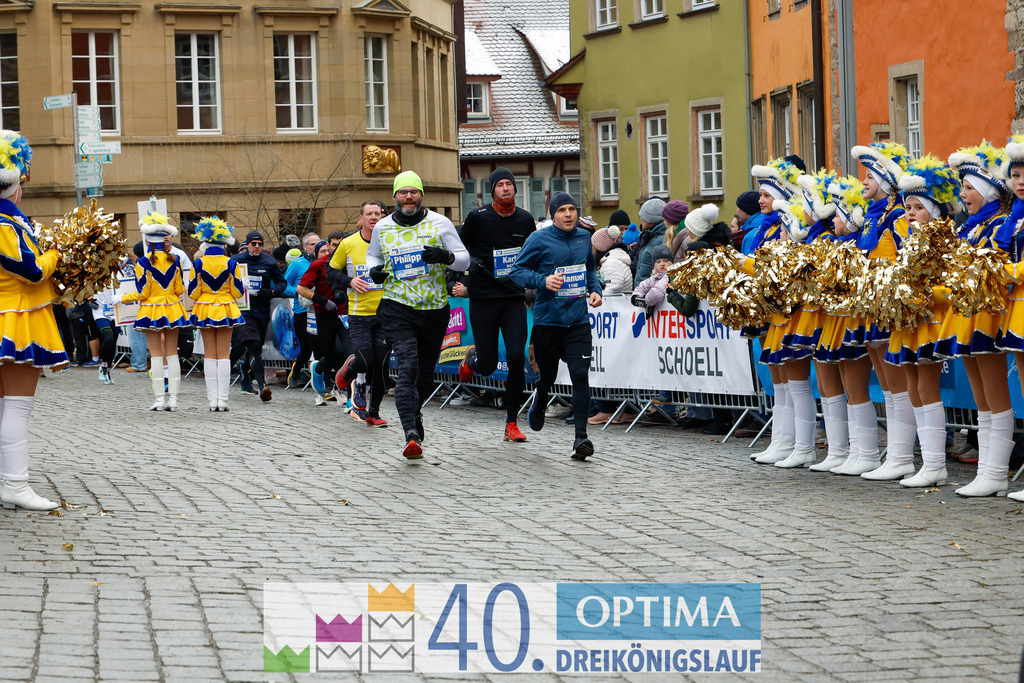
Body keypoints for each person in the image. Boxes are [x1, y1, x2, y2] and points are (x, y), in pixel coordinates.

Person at [366, 170, 469, 459]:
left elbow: (464, 257)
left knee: (424, 376)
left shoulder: (440, 222)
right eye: (403, 192)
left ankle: (415, 412)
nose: (408, 196)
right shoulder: (383, 227)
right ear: (395, 196)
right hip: (397, 307)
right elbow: (373, 255)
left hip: (434, 309)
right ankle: (410, 434)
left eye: (413, 191)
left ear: (421, 195)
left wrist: (445, 257)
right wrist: (374, 271)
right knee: (408, 367)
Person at [938, 142, 1013, 497]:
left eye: (969, 188)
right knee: (982, 396)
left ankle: (996, 471)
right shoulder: (970, 226)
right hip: (969, 314)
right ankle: (988, 471)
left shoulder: (1000, 222)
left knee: (995, 394)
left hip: (992, 314)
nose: (963, 194)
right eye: (963, 187)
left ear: (986, 191)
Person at [0, 130, 68, 511]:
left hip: (8, 313)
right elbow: (29, 271)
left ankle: (8, 482)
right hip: (16, 316)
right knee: (18, 406)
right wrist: (56, 257)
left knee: (3, 405)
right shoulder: (6, 224)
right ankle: (15, 484)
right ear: (14, 187)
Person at [885, 156, 963, 488]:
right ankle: (926, 463)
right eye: (908, 207)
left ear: (934, 209)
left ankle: (935, 465)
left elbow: (954, 283)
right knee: (914, 388)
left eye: (917, 207)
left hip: (930, 320)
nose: (910, 213)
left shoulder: (944, 239)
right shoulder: (908, 240)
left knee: (927, 388)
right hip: (909, 322)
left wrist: (929, 295)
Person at [511, 191, 603, 460]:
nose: (568, 214)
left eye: (572, 209)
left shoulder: (585, 237)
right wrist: (543, 281)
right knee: (548, 377)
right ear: (553, 214)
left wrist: (595, 289)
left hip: (577, 321)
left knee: (580, 375)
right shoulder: (539, 239)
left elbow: (589, 270)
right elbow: (517, 271)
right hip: (548, 322)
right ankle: (539, 401)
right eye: (562, 210)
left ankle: (580, 439)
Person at [456, 168, 535, 443]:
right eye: (500, 185)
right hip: (484, 298)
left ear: (515, 189)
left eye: (509, 184)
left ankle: (511, 423)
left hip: (513, 298)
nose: (505, 188)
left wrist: (532, 286)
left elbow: (532, 254)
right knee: (488, 366)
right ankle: (472, 358)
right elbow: (459, 252)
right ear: (492, 191)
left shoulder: (525, 219)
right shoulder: (477, 218)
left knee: (516, 357)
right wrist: (469, 269)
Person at [114, 213, 188, 411]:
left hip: (151, 311)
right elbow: (180, 290)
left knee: (155, 356)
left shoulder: (143, 262)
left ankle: (159, 400)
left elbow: (142, 292)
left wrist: (122, 298)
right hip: (172, 309)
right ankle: (173, 399)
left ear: (147, 240)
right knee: (172, 355)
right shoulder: (176, 259)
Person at [331, 200, 390, 427]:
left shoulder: (390, 241)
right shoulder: (348, 243)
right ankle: (348, 370)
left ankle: (373, 413)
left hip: (386, 312)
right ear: (361, 218)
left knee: (382, 366)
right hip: (359, 314)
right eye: (369, 214)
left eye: (378, 214)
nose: (374, 217)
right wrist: (350, 281)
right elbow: (331, 271)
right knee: (366, 361)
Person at [189, 216, 245, 411]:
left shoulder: (197, 264)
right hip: (225, 307)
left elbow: (193, 292)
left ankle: (212, 400)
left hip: (205, 308)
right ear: (224, 243)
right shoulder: (232, 264)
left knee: (209, 354)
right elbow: (238, 292)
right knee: (224, 354)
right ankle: (223, 399)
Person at [230, 230, 286, 401]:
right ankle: (263, 386)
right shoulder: (236, 261)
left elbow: (282, 282)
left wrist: (272, 291)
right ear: (247, 245)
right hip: (244, 311)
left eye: (259, 244)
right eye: (253, 244)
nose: (256, 247)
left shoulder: (269, 262)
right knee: (253, 346)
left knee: (253, 348)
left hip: (262, 311)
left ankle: (244, 374)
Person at [297, 240, 347, 406]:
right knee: (331, 355)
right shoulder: (319, 265)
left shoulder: (350, 263)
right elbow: (300, 289)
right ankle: (318, 370)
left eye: (341, 245)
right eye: (333, 245)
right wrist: (322, 300)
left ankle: (348, 397)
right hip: (323, 315)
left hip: (346, 314)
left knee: (348, 353)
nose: (336, 249)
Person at [283, 232, 319, 388]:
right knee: (306, 349)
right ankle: (296, 370)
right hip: (302, 312)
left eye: (318, 244)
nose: (315, 247)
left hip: (320, 311)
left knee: (321, 349)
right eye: (312, 244)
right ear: (304, 247)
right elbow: (284, 286)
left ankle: (322, 382)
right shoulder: (297, 264)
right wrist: (300, 292)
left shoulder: (325, 263)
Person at [632, 197, 667, 286]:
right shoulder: (651, 238)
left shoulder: (656, 241)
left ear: (650, 219)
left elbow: (646, 275)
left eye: (642, 217)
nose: (641, 220)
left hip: (648, 295)